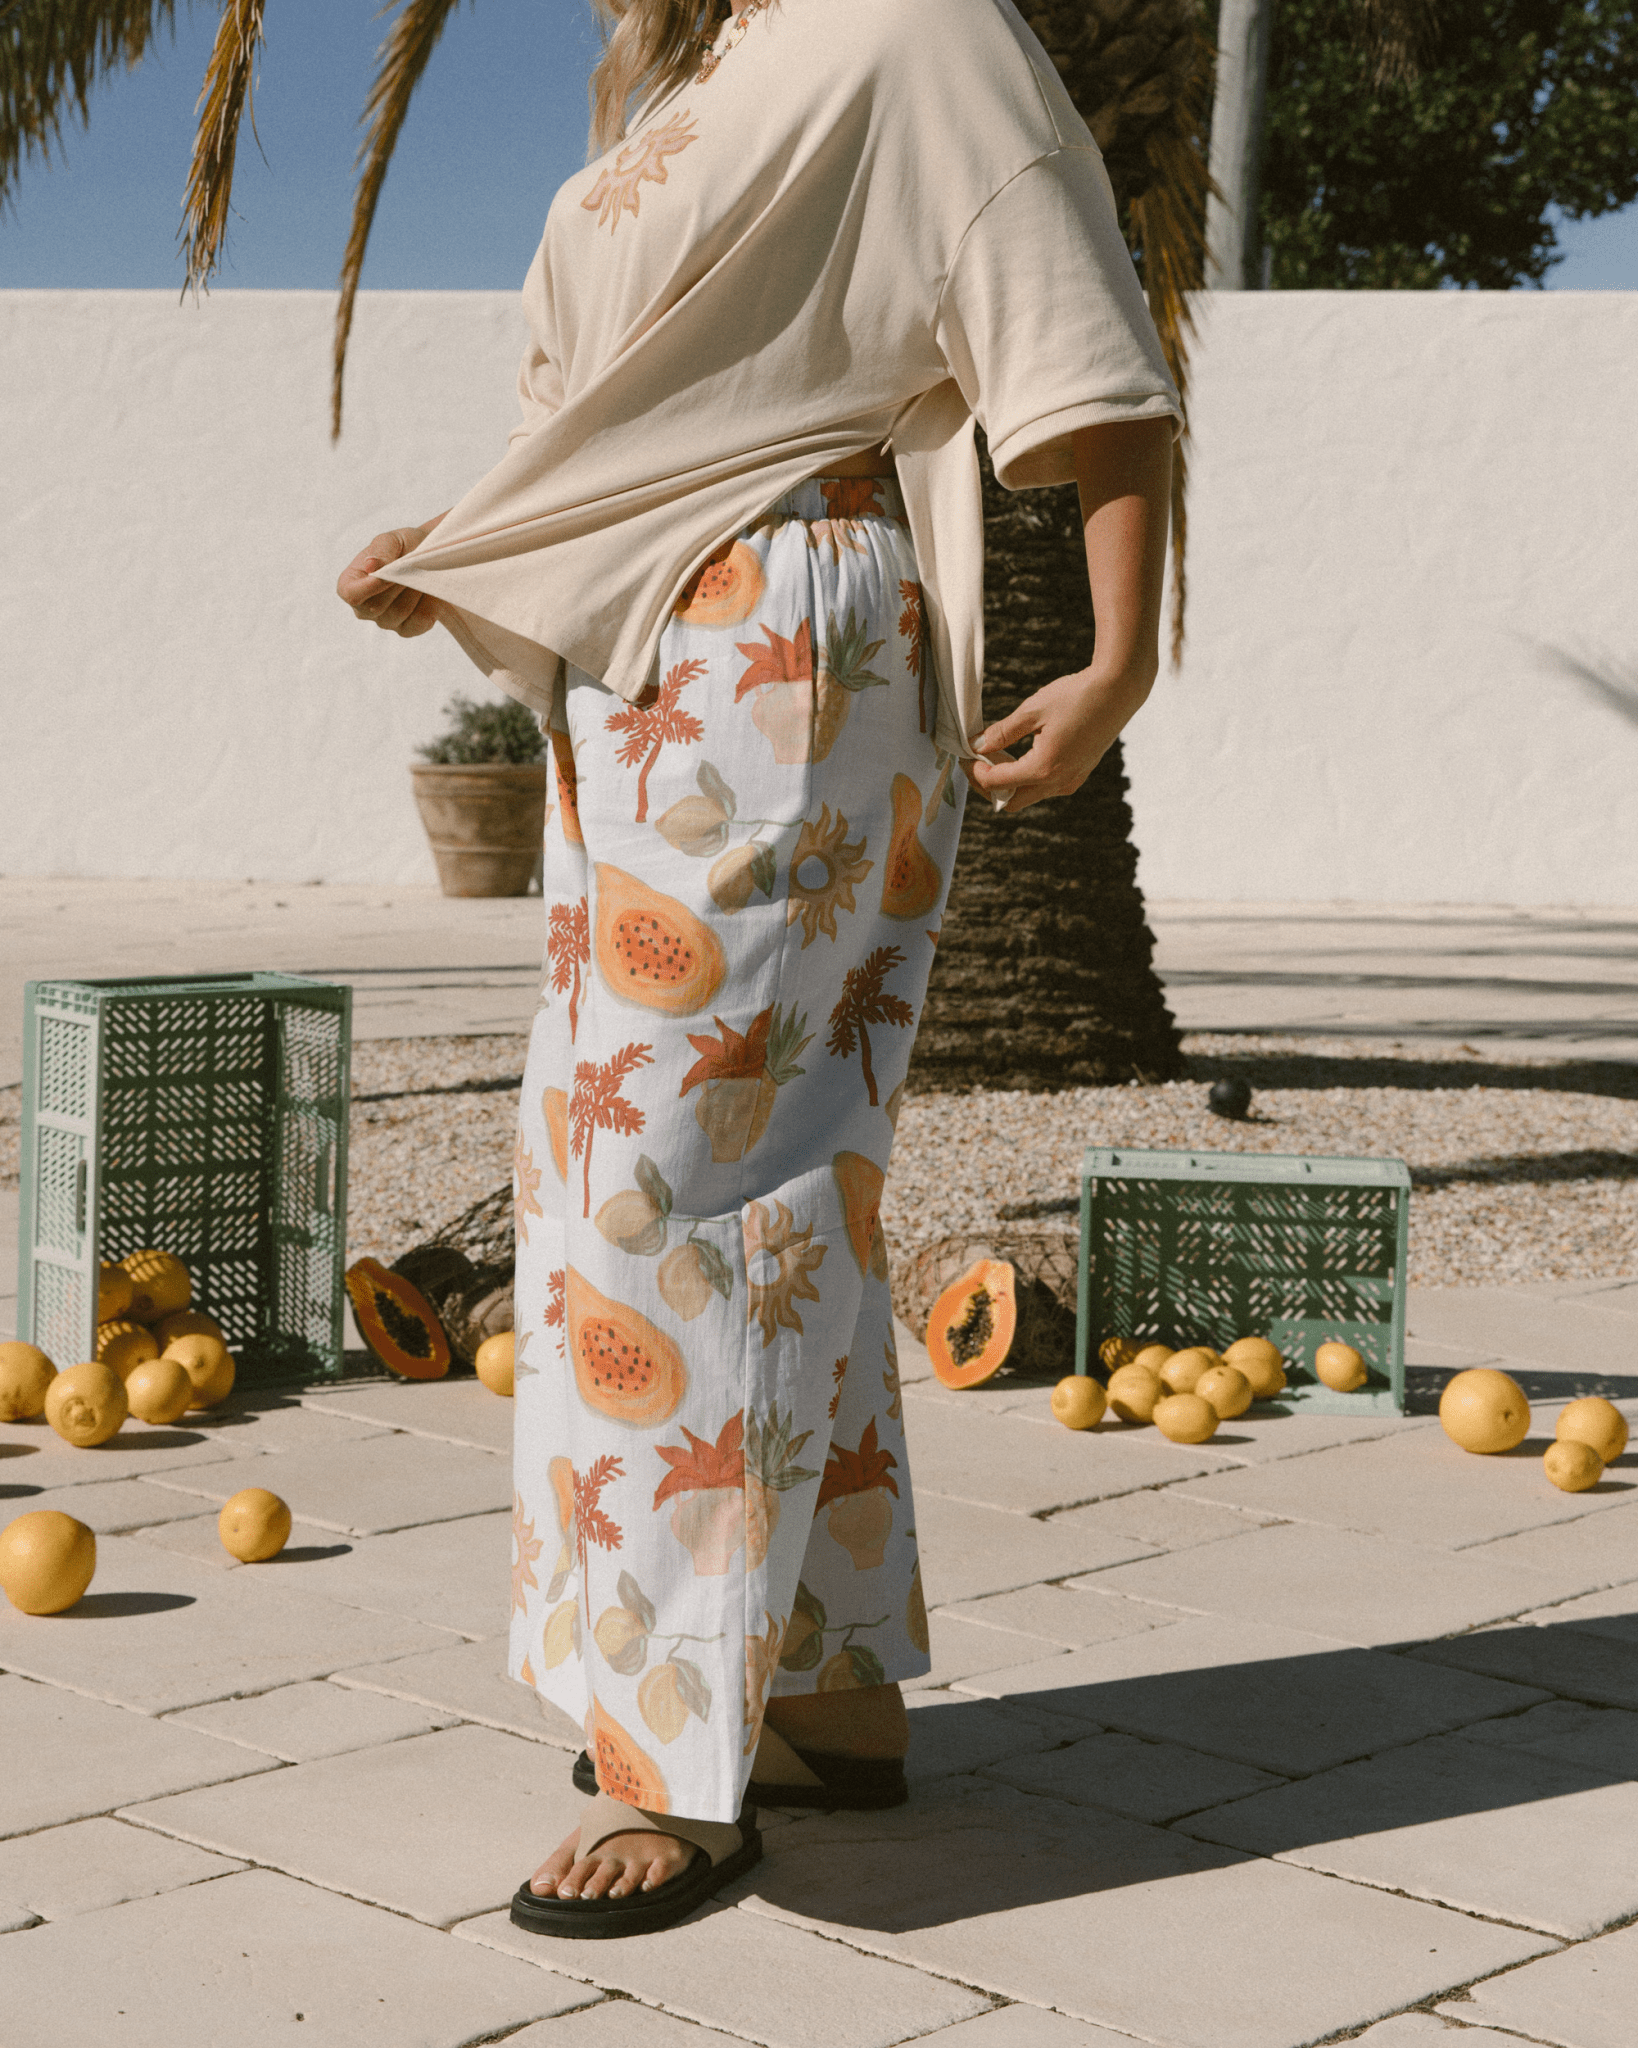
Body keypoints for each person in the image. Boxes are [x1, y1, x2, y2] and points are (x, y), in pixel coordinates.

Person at [337, 0, 1177, 1938]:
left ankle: (671, 1755)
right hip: (639, 692)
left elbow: (1061, 282)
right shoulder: (672, 95)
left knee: (668, 1185)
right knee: (693, 1158)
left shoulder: (897, 21)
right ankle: (817, 1682)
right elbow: (608, 453)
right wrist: (463, 554)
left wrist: (1122, 647)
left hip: (790, 643)